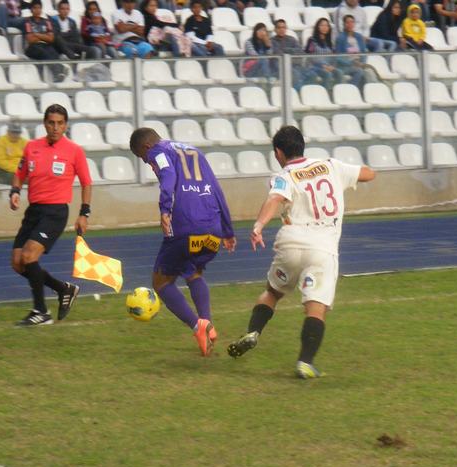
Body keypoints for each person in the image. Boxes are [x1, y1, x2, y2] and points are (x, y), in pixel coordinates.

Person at [227, 126, 376, 379]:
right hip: (323, 248)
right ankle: (305, 362)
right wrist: (354, 174)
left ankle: (254, 331)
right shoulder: (330, 166)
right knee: (316, 307)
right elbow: (368, 174)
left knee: (272, 292)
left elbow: (274, 199)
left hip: (291, 244)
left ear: (278, 152)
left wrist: (258, 226)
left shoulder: (284, 175)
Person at [128, 127, 236, 357]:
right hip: (212, 227)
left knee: (160, 282)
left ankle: (198, 327)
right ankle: (207, 324)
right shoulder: (194, 150)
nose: (149, 164)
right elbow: (216, 189)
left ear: (146, 147)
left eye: (143, 158)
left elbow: (168, 176)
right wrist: (228, 230)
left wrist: (165, 209)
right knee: (193, 271)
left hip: (186, 223)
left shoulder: (158, 152)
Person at [10, 104, 92, 326]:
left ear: (65, 125)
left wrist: (84, 213)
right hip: (34, 211)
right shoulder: (32, 147)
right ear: (45, 124)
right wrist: (15, 191)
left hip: (55, 212)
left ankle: (41, 312)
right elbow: (19, 173)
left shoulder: (74, 150)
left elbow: (86, 182)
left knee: (29, 256)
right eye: (51, 123)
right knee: (17, 263)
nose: (55, 127)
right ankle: (63, 289)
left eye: (60, 123)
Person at [23, 0, 68, 83]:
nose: (37, 10)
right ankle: (59, 70)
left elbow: (51, 38)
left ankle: (58, 75)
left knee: (53, 51)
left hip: (45, 45)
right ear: (31, 10)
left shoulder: (47, 22)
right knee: (42, 51)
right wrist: (44, 36)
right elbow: (30, 40)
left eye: (39, 8)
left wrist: (36, 34)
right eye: (35, 8)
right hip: (32, 47)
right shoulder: (27, 21)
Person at [305, 17, 343, 88]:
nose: (324, 27)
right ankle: (325, 92)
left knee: (339, 72)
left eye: (326, 25)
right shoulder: (312, 40)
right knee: (327, 74)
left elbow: (334, 57)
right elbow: (310, 56)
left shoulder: (330, 42)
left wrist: (332, 66)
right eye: (322, 25)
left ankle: (338, 91)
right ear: (317, 27)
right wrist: (322, 66)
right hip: (314, 67)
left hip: (328, 66)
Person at [334, 15, 370, 86]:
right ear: (344, 24)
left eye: (352, 22)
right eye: (347, 22)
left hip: (359, 64)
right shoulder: (340, 38)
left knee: (369, 72)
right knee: (359, 71)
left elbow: (364, 52)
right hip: (345, 65)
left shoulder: (359, 37)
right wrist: (351, 63)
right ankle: (352, 89)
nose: (350, 24)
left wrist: (362, 63)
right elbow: (338, 57)